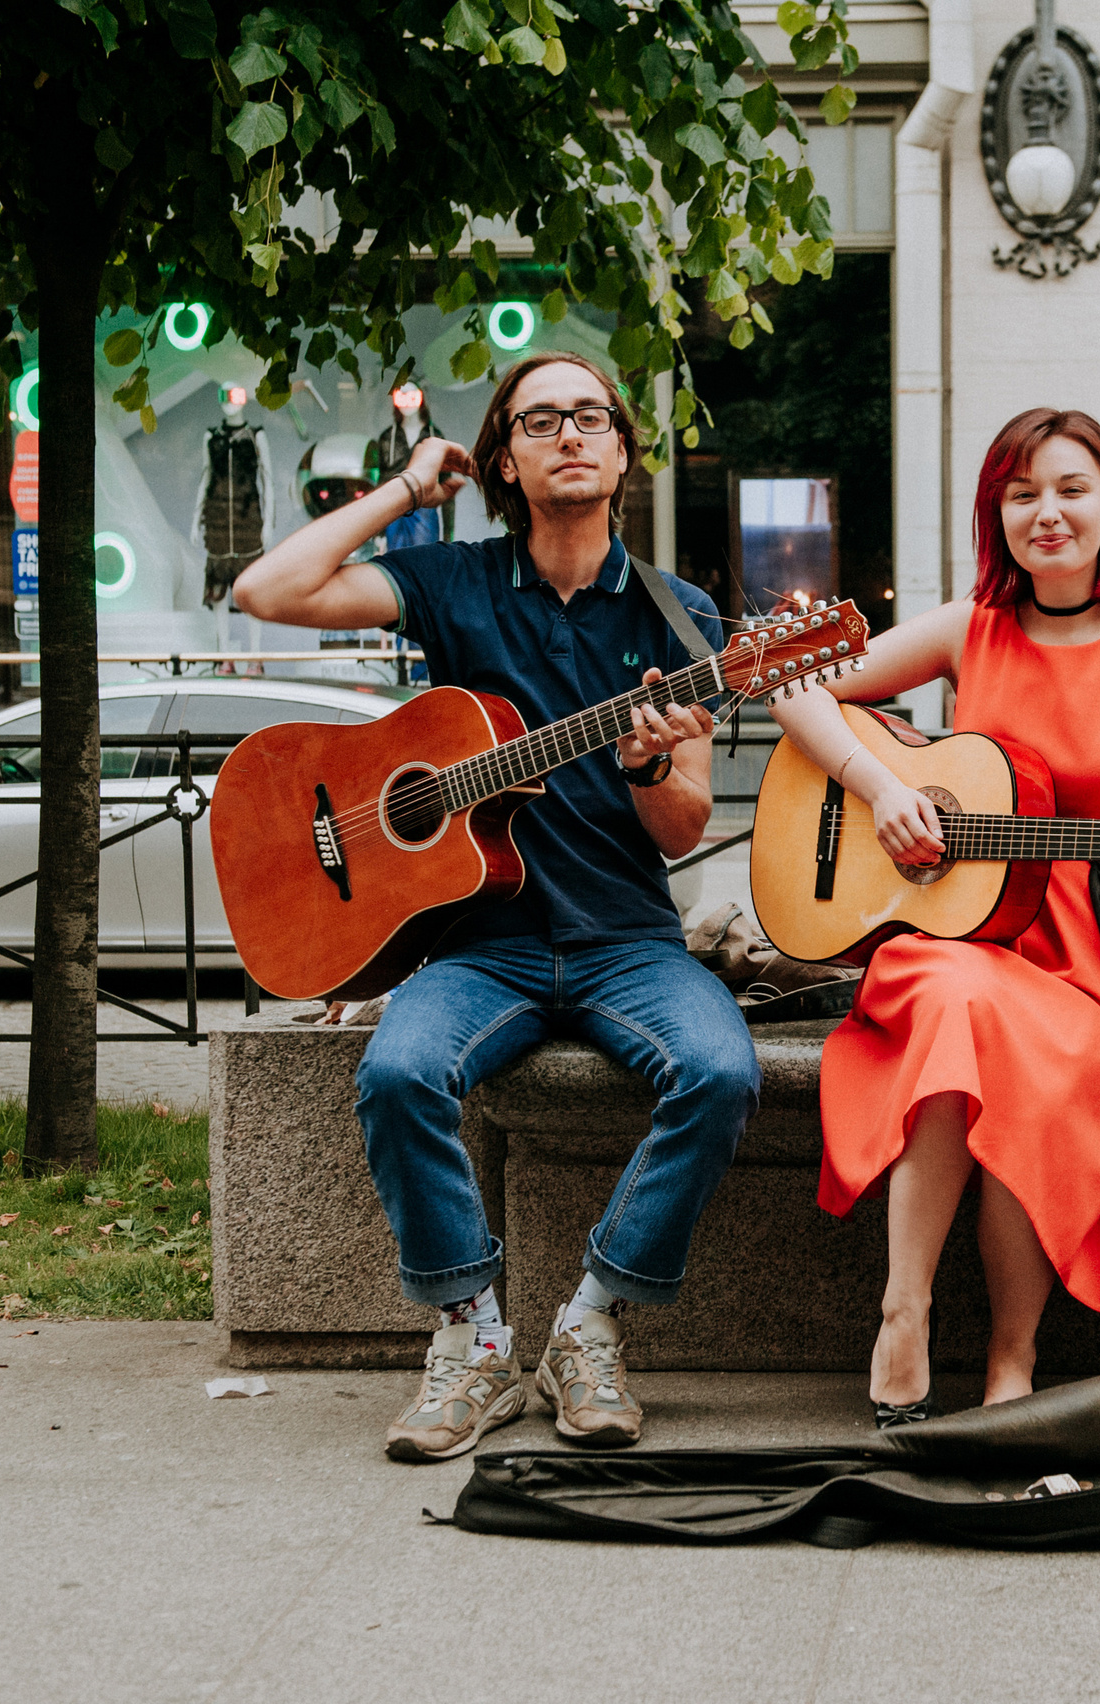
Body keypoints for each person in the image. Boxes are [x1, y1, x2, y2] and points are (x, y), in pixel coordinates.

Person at [231, 352, 758, 1461]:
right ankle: (471, 1339)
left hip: (626, 941)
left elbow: (684, 828)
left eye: (592, 417)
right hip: (480, 947)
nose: (570, 434)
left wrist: (647, 767)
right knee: (396, 1073)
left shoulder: (684, 615)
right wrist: (406, 490)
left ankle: (589, 1324)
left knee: (720, 1071)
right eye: (540, 419)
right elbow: (266, 592)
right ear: (504, 460)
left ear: (622, 451)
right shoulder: (454, 580)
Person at [768, 407, 1100, 1425]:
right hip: (970, 930)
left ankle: (1011, 1361)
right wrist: (879, 785)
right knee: (957, 1001)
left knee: (1024, 1056)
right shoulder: (970, 628)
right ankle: (903, 1311)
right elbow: (789, 683)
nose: (1048, 513)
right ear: (995, 514)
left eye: (1072, 490)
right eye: (1022, 493)